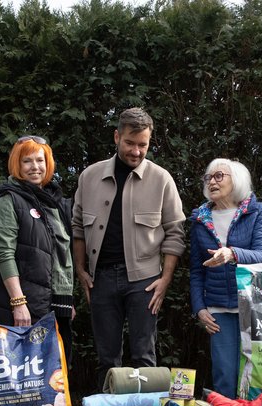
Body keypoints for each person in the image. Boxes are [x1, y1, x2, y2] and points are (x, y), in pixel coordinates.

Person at [72, 108, 186, 390]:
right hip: (101, 279)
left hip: (145, 282)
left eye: (143, 145)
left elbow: (175, 232)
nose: (136, 151)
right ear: (116, 137)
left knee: (144, 357)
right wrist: (80, 270)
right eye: (130, 143)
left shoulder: (161, 180)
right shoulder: (89, 177)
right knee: (107, 358)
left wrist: (166, 279)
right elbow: (77, 228)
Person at [189, 159, 262, 399]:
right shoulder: (199, 220)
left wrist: (232, 253)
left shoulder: (256, 211)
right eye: (208, 177)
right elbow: (196, 270)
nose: (212, 181)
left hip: (254, 304)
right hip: (217, 308)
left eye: (219, 176)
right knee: (224, 373)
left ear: (236, 180)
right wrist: (199, 309)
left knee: (257, 372)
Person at [0, 135, 75, 361]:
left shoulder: (54, 203)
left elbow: (60, 255)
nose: (35, 167)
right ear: (17, 164)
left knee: (54, 380)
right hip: (25, 308)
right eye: (27, 161)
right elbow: (3, 254)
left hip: (55, 306)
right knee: (26, 383)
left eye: (40, 160)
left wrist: (67, 302)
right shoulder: (9, 199)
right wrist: (18, 303)